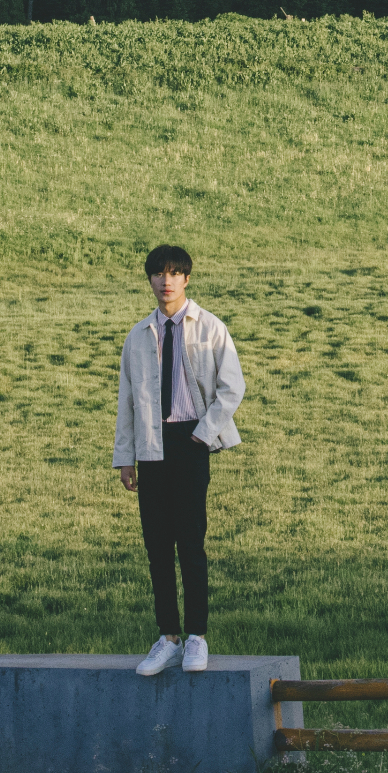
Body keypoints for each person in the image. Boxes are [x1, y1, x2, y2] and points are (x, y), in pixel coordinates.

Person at [113, 243, 246, 675]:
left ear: (186, 278)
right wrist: (126, 457)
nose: (165, 280)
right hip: (151, 448)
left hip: (190, 441)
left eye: (174, 273)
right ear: (150, 279)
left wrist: (202, 434)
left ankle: (196, 638)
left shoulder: (209, 328)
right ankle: (167, 635)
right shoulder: (138, 337)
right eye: (158, 273)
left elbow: (232, 388)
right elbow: (127, 401)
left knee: (190, 543)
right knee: (156, 546)